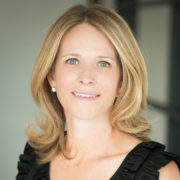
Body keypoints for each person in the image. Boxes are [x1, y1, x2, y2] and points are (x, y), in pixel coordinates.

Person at [16, 4, 180, 180]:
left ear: (122, 82)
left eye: (103, 63)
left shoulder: (162, 174)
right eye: (72, 60)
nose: (86, 77)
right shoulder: (33, 160)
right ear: (51, 76)